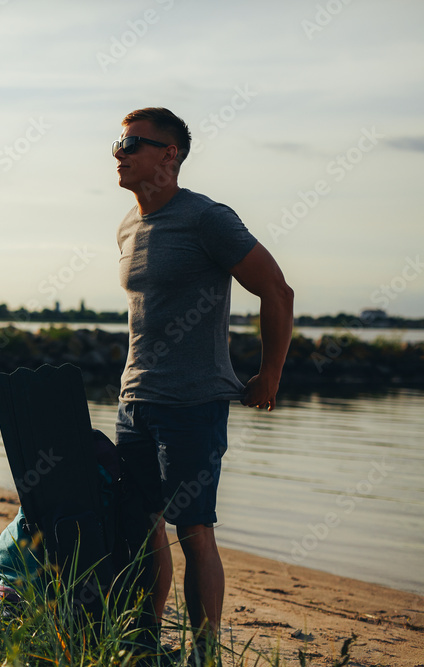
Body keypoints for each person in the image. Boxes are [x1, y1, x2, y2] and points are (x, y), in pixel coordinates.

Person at [113, 107, 294, 658]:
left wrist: (268, 373)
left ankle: (204, 652)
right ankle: (146, 641)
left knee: (194, 531)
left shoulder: (207, 219)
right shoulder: (127, 224)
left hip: (193, 403)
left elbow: (277, 291)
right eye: (118, 143)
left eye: (133, 143)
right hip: (135, 400)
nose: (119, 153)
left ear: (169, 156)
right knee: (142, 528)